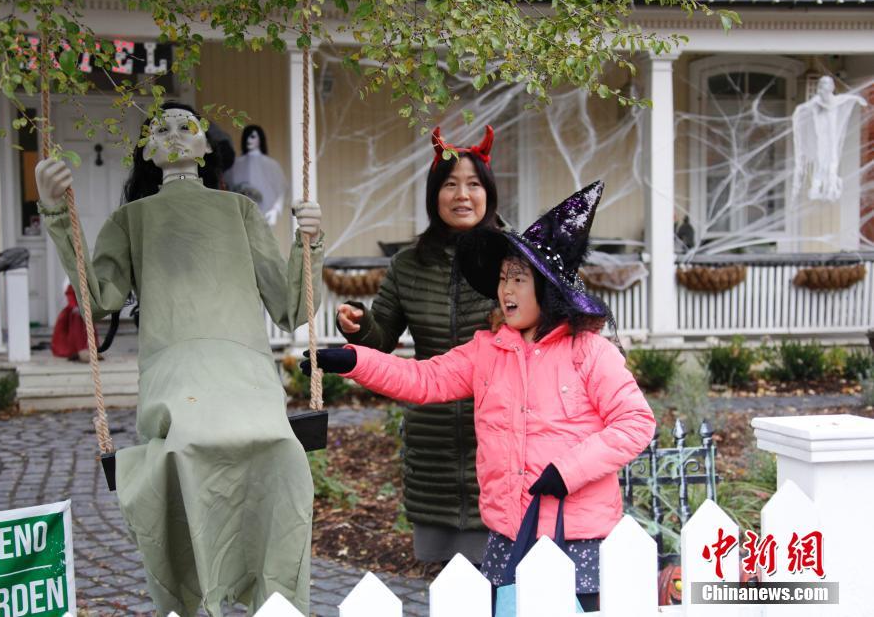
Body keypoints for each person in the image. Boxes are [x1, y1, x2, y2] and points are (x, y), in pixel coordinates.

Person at [34, 101, 323, 616]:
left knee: (283, 450)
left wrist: (310, 245)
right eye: (159, 128)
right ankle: (198, 596)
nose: (172, 133)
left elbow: (290, 308)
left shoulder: (241, 212)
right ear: (146, 151)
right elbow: (98, 301)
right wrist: (56, 212)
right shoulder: (130, 220)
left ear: (205, 145)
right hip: (175, 374)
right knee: (183, 451)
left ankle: (277, 597)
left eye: (185, 126)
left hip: (245, 371)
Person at [309, 182, 655, 611]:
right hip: (509, 531)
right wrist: (353, 360)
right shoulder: (486, 351)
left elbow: (636, 423)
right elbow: (424, 378)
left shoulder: (589, 351)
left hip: (577, 533)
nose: (506, 290)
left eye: (519, 279)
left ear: (548, 289)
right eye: (503, 278)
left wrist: (568, 471)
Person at [335, 126, 501, 565]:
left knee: (509, 573)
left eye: (473, 184)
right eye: (450, 185)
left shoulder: (515, 259)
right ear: (434, 195)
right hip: (433, 437)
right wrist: (358, 324)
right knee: (447, 577)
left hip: (501, 431)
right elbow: (382, 339)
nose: (462, 195)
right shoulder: (409, 264)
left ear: (488, 193)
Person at [224, 124, 288, 225]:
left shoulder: (271, 164)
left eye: (253, 136)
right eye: (247, 136)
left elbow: (283, 190)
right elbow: (227, 187)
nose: (248, 140)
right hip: (240, 215)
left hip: (265, 214)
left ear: (260, 139)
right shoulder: (236, 164)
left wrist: (275, 210)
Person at [51, 280, 97, 361]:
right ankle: (78, 351)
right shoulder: (71, 283)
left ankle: (87, 350)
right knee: (76, 331)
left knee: (86, 331)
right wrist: (75, 307)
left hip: (83, 310)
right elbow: (70, 295)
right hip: (74, 312)